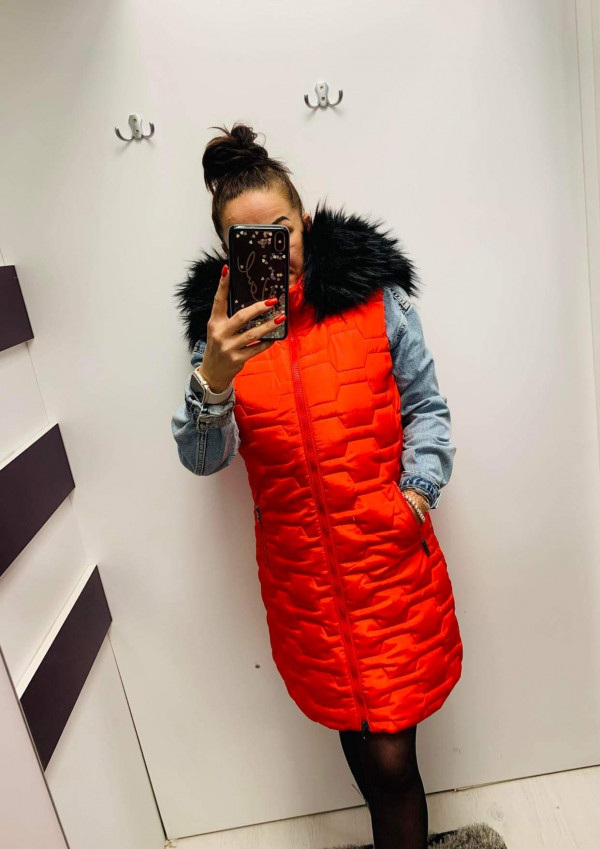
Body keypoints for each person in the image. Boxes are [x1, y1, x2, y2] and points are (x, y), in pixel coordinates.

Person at [171, 122, 463, 849]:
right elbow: (205, 460)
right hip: (303, 583)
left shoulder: (374, 300)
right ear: (228, 250)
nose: (271, 247)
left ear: (303, 220)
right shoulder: (221, 338)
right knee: (358, 739)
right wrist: (214, 376)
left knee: (392, 759)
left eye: (281, 229)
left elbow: (427, 408)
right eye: (248, 239)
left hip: (388, 565)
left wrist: (415, 497)